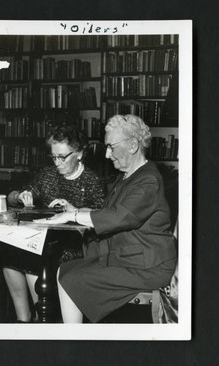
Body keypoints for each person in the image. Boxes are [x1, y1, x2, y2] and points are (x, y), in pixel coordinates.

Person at [46, 114, 177, 323]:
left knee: (73, 279)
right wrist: (77, 210)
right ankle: (74, 336)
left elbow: (119, 217)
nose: (107, 155)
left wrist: (74, 215)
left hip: (147, 266)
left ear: (133, 145)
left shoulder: (148, 180)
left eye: (111, 147)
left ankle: (72, 343)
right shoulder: (127, 176)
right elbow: (107, 211)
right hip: (128, 258)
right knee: (65, 269)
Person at [4, 124, 105, 322]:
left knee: (37, 260)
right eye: (53, 157)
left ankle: (41, 319)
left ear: (79, 154)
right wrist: (20, 196)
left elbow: (101, 217)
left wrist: (73, 209)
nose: (57, 162)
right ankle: (24, 320)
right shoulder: (47, 175)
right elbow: (13, 197)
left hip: (75, 244)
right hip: (45, 238)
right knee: (9, 260)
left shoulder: (92, 181)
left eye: (62, 157)